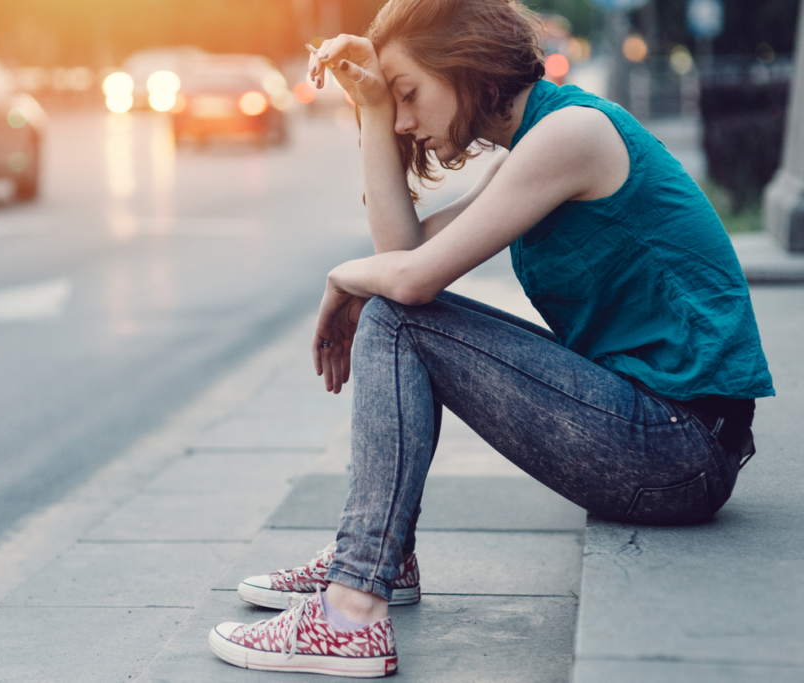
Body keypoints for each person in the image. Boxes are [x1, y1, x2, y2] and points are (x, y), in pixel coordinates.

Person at [207, 0, 774, 676]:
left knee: (398, 316)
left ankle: (353, 607)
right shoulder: (535, 149)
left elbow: (407, 284)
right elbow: (403, 253)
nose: (407, 121)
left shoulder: (573, 136)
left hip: (679, 446)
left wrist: (344, 276)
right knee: (396, 309)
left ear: (462, 62)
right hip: (663, 437)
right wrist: (372, 109)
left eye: (409, 95)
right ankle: (382, 555)